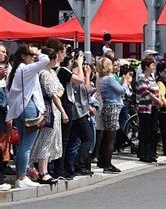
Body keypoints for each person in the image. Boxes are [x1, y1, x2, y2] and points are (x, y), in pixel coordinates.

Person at [6, 44, 50, 188]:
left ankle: (21, 176)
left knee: (22, 145)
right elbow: (46, 60)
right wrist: (39, 53)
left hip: (19, 110)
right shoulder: (25, 69)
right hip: (29, 107)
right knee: (26, 145)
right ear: (24, 56)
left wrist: (34, 54)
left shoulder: (16, 70)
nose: (33, 57)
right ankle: (22, 177)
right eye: (30, 55)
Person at [55, 49, 94, 178]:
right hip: (72, 109)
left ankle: (67, 168)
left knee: (70, 141)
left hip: (73, 108)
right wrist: (84, 70)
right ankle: (63, 168)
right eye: (79, 58)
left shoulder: (67, 71)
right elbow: (81, 82)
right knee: (68, 140)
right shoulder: (63, 71)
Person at [29, 47, 66, 184]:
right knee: (45, 140)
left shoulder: (51, 72)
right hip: (49, 109)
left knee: (49, 140)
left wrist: (57, 94)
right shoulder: (44, 73)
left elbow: (60, 90)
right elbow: (52, 93)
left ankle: (44, 170)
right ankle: (43, 172)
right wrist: (63, 111)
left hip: (53, 108)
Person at [97, 58, 131, 173]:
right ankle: (107, 163)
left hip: (107, 106)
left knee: (106, 136)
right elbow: (121, 91)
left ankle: (103, 160)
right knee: (111, 137)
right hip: (113, 107)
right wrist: (125, 82)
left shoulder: (101, 78)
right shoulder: (109, 79)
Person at [136, 57, 163, 163]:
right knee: (145, 131)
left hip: (154, 107)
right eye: (152, 65)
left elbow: (157, 89)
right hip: (145, 108)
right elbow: (145, 92)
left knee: (153, 130)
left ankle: (152, 153)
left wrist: (159, 99)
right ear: (146, 66)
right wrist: (157, 100)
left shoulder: (152, 77)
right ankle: (144, 153)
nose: (154, 67)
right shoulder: (142, 77)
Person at [0, 44, 11, 191]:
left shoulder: (5, 69)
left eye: (5, 52)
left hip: (5, 110)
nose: (4, 54)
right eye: (1, 51)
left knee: (4, 143)